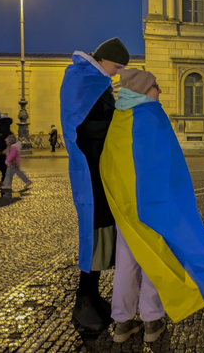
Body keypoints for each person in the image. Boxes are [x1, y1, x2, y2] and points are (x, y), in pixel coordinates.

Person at [101, 69, 204, 343]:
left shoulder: (119, 117)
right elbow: (165, 163)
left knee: (127, 261)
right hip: (153, 203)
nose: (159, 91)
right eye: (155, 86)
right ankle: (152, 321)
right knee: (159, 256)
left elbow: (110, 163)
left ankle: (122, 322)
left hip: (126, 205)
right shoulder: (151, 115)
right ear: (143, 89)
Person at [60, 37, 129, 331]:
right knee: (93, 232)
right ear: (104, 59)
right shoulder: (84, 80)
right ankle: (82, 301)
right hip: (90, 169)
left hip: (99, 168)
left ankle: (92, 295)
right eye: (116, 66)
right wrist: (117, 122)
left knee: (100, 231)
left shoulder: (93, 81)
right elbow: (82, 127)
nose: (116, 73)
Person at [0, 112, 12, 187]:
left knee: (3, 166)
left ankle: (5, 181)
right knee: (3, 166)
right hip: (0, 149)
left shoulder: (0, 127)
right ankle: (4, 180)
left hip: (1, 150)